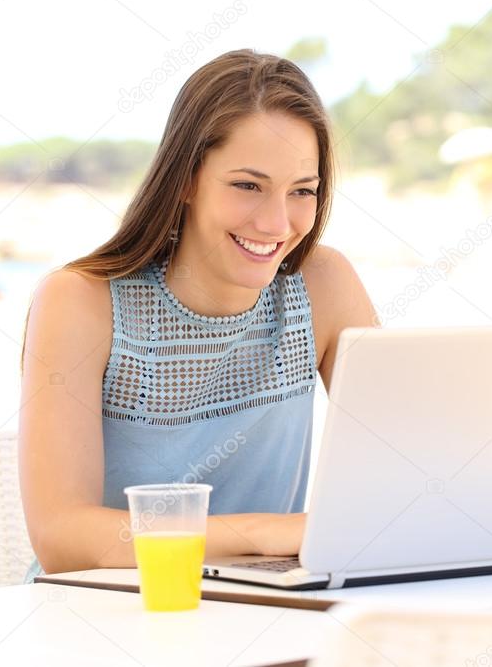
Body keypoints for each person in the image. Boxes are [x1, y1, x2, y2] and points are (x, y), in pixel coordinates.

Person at [18, 49, 377, 581]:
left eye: (302, 191)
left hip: (264, 613)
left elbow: (406, 463)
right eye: (247, 186)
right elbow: (61, 539)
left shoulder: (322, 285)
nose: (277, 222)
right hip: (104, 616)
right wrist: (266, 534)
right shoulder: (80, 302)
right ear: (185, 179)